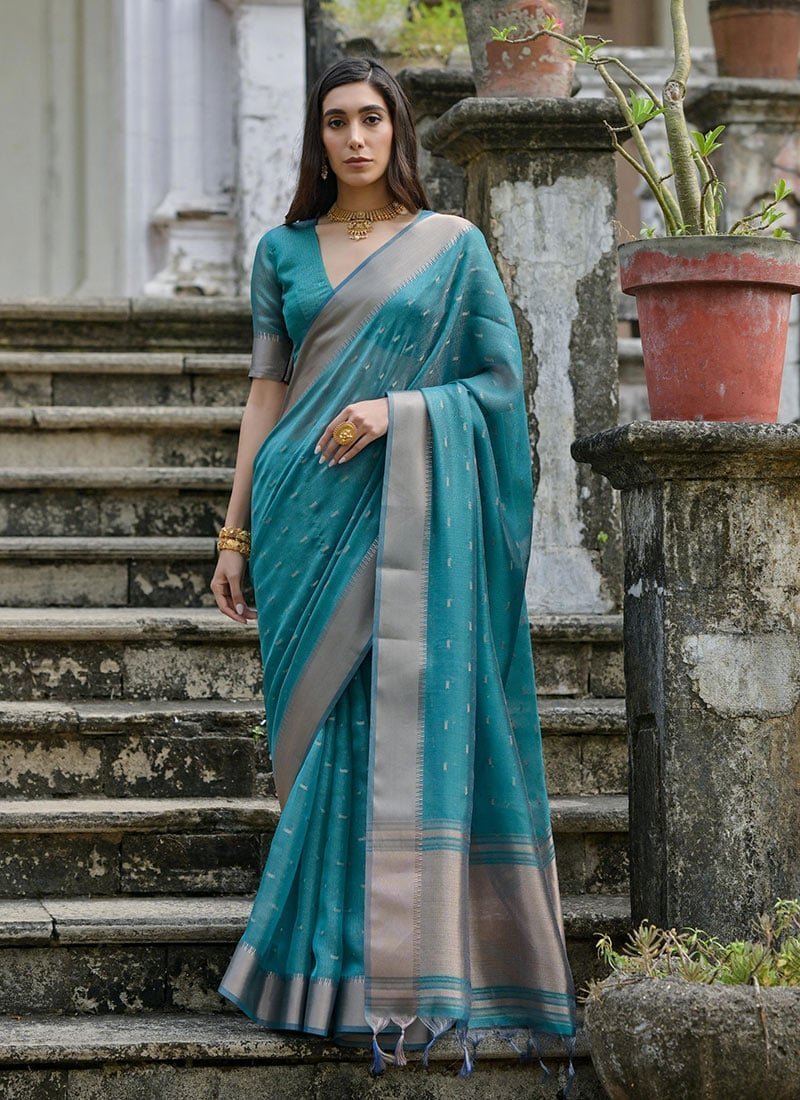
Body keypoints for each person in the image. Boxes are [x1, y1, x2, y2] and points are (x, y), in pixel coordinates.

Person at [213, 56, 577, 1076]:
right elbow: (266, 392)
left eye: (371, 118)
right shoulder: (282, 251)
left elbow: (497, 388)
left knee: (390, 730)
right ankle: (320, 976)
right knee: (320, 738)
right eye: (336, 122)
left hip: (406, 508)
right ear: (317, 139)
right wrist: (233, 533)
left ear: (398, 130)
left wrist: (398, 410)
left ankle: (392, 978)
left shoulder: (452, 247)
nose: (355, 138)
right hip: (299, 514)